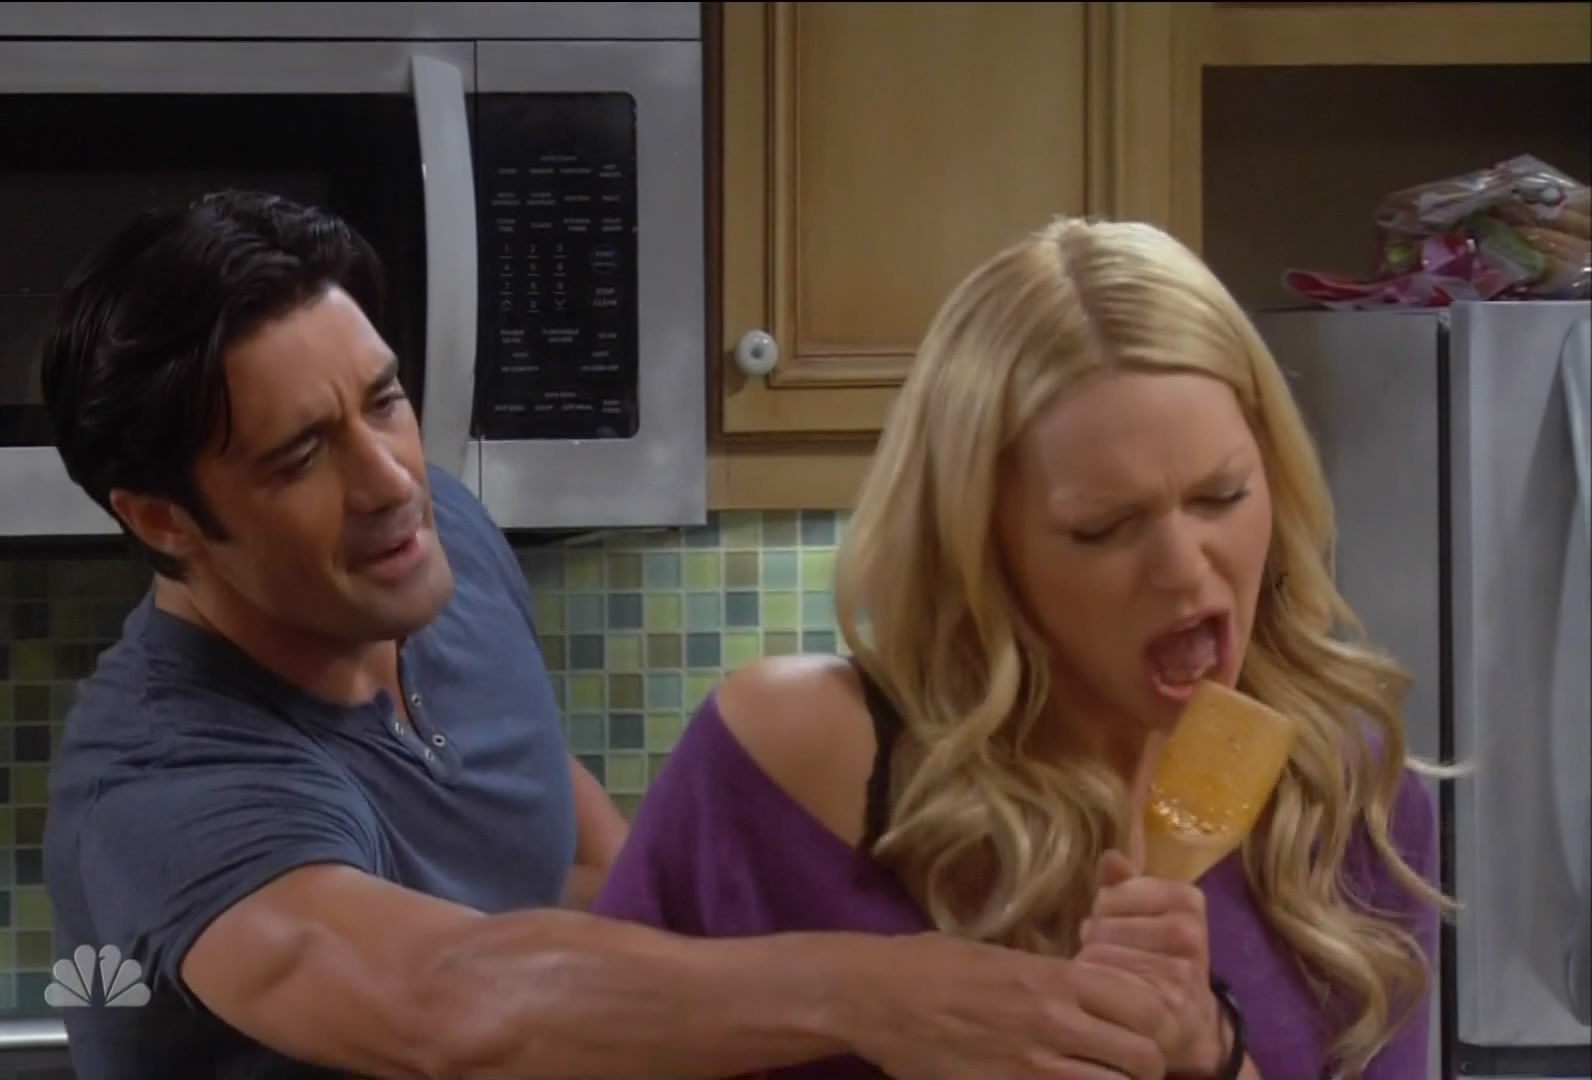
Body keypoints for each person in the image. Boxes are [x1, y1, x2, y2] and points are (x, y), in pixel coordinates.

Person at [37, 191, 1184, 1080]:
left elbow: (591, 867)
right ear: (162, 520)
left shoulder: (430, 554)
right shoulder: (161, 787)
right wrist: (870, 990)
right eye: (300, 455)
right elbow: (441, 1001)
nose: (390, 479)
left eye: (384, 402)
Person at [592, 217, 1451, 1080]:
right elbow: (555, 1026)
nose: (1185, 568)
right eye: (1103, 527)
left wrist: (1213, 1057)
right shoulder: (807, 755)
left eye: (1221, 495)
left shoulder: (1346, 794)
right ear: (981, 551)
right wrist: (856, 991)